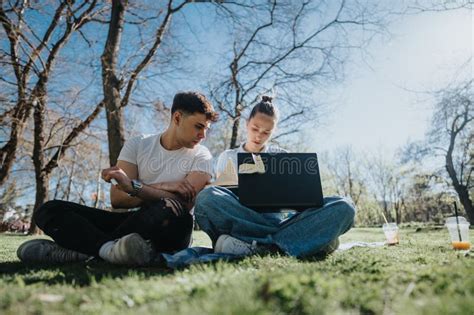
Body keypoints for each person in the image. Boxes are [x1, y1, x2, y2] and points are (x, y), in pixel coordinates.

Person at [17, 91, 218, 266]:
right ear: (177, 118)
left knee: (170, 209)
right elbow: (118, 199)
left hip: (168, 227)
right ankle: (108, 252)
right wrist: (163, 187)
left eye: (206, 129)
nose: (203, 135)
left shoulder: (202, 156)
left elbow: (182, 202)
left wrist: (134, 187)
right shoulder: (138, 144)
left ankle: (82, 251)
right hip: (134, 222)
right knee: (50, 209)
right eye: (198, 127)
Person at [194, 96, 356, 258]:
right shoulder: (228, 156)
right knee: (206, 197)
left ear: (273, 132)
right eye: (255, 129)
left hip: (281, 222)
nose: (259, 136)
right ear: (246, 124)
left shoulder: (282, 156)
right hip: (243, 219)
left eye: (266, 132)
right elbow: (221, 197)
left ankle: (261, 246)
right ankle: (299, 242)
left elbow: (298, 203)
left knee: (344, 206)